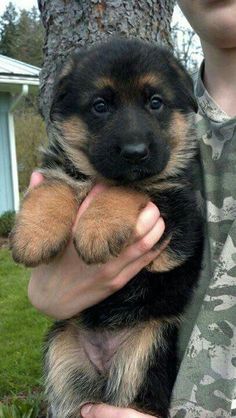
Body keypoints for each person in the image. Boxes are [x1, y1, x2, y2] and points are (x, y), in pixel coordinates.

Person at [28, 1, 236, 416]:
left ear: (180, 109)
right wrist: (47, 290)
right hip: (78, 343)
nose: (134, 140)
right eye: (101, 107)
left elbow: (172, 251)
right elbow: (38, 241)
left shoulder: (180, 174)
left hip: (146, 339)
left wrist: (118, 200)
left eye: (154, 104)